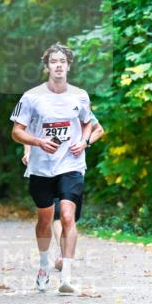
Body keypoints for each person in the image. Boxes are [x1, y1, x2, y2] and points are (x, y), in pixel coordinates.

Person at [11, 43, 94, 294]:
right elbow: (16, 132)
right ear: (47, 67)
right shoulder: (31, 97)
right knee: (45, 220)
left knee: (67, 216)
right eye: (54, 62)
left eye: (62, 61)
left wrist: (84, 141)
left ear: (69, 66)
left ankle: (66, 277)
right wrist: (38, 142)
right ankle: (44, 265)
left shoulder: (80, 96)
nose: (58, 65)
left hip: (71, 164)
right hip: (41, 168)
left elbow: (88, 123)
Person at [23, 116, 105, 271]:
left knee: (69, 216)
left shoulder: (78, 107)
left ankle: (64, 255)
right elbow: (28, 131)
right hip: (44, 169)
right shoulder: (39, 107)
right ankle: (63, 256)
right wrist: (28, 152)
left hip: (70, 167)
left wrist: (84, 143)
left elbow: (99, 130)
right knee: (57, 214)